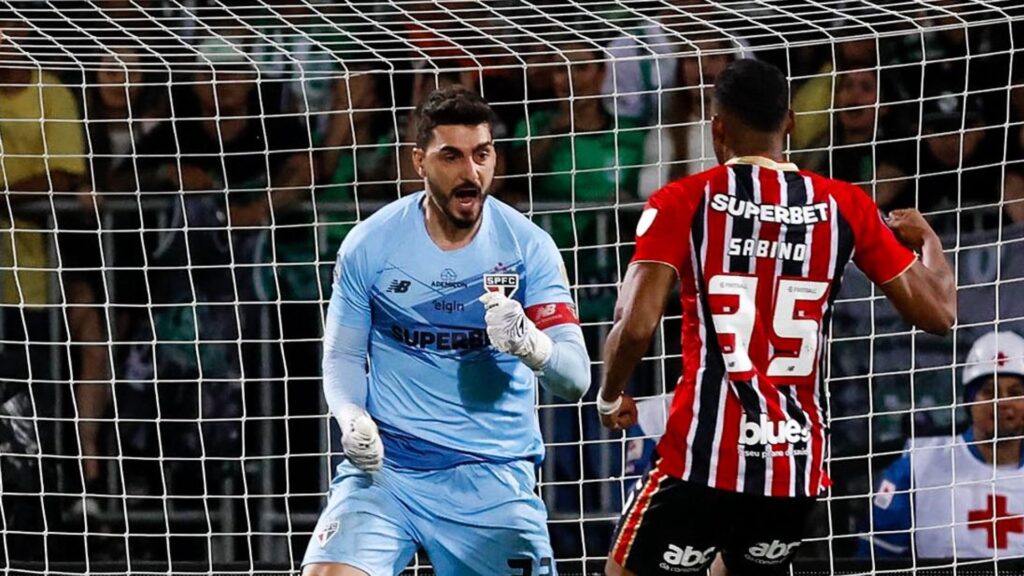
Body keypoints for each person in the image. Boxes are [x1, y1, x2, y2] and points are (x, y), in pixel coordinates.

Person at [596, 58, 957, 576]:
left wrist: (611, 395)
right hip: (793, 464)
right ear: (789, 122)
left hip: (705, 458)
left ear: (717, 127)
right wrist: (929, 240)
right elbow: (941, 313)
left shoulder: (684, 199)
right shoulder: (845, 205)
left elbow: (635, 325)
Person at [301, 87, 590, 576]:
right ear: (419, 161)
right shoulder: (370, 245)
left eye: (482, 155)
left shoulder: (528, 249)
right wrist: (351, 417)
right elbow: (344, 355)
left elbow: (577, 379)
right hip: (387, 473)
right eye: (451, 156)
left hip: (492, 477)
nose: (470, 172)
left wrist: (531, 344)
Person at [858, 330, 1024, 559]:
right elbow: (875, 558)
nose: (1002, 402)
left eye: (1015, 392)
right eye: (989, 392)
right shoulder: (918, 466)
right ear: (969, 401)